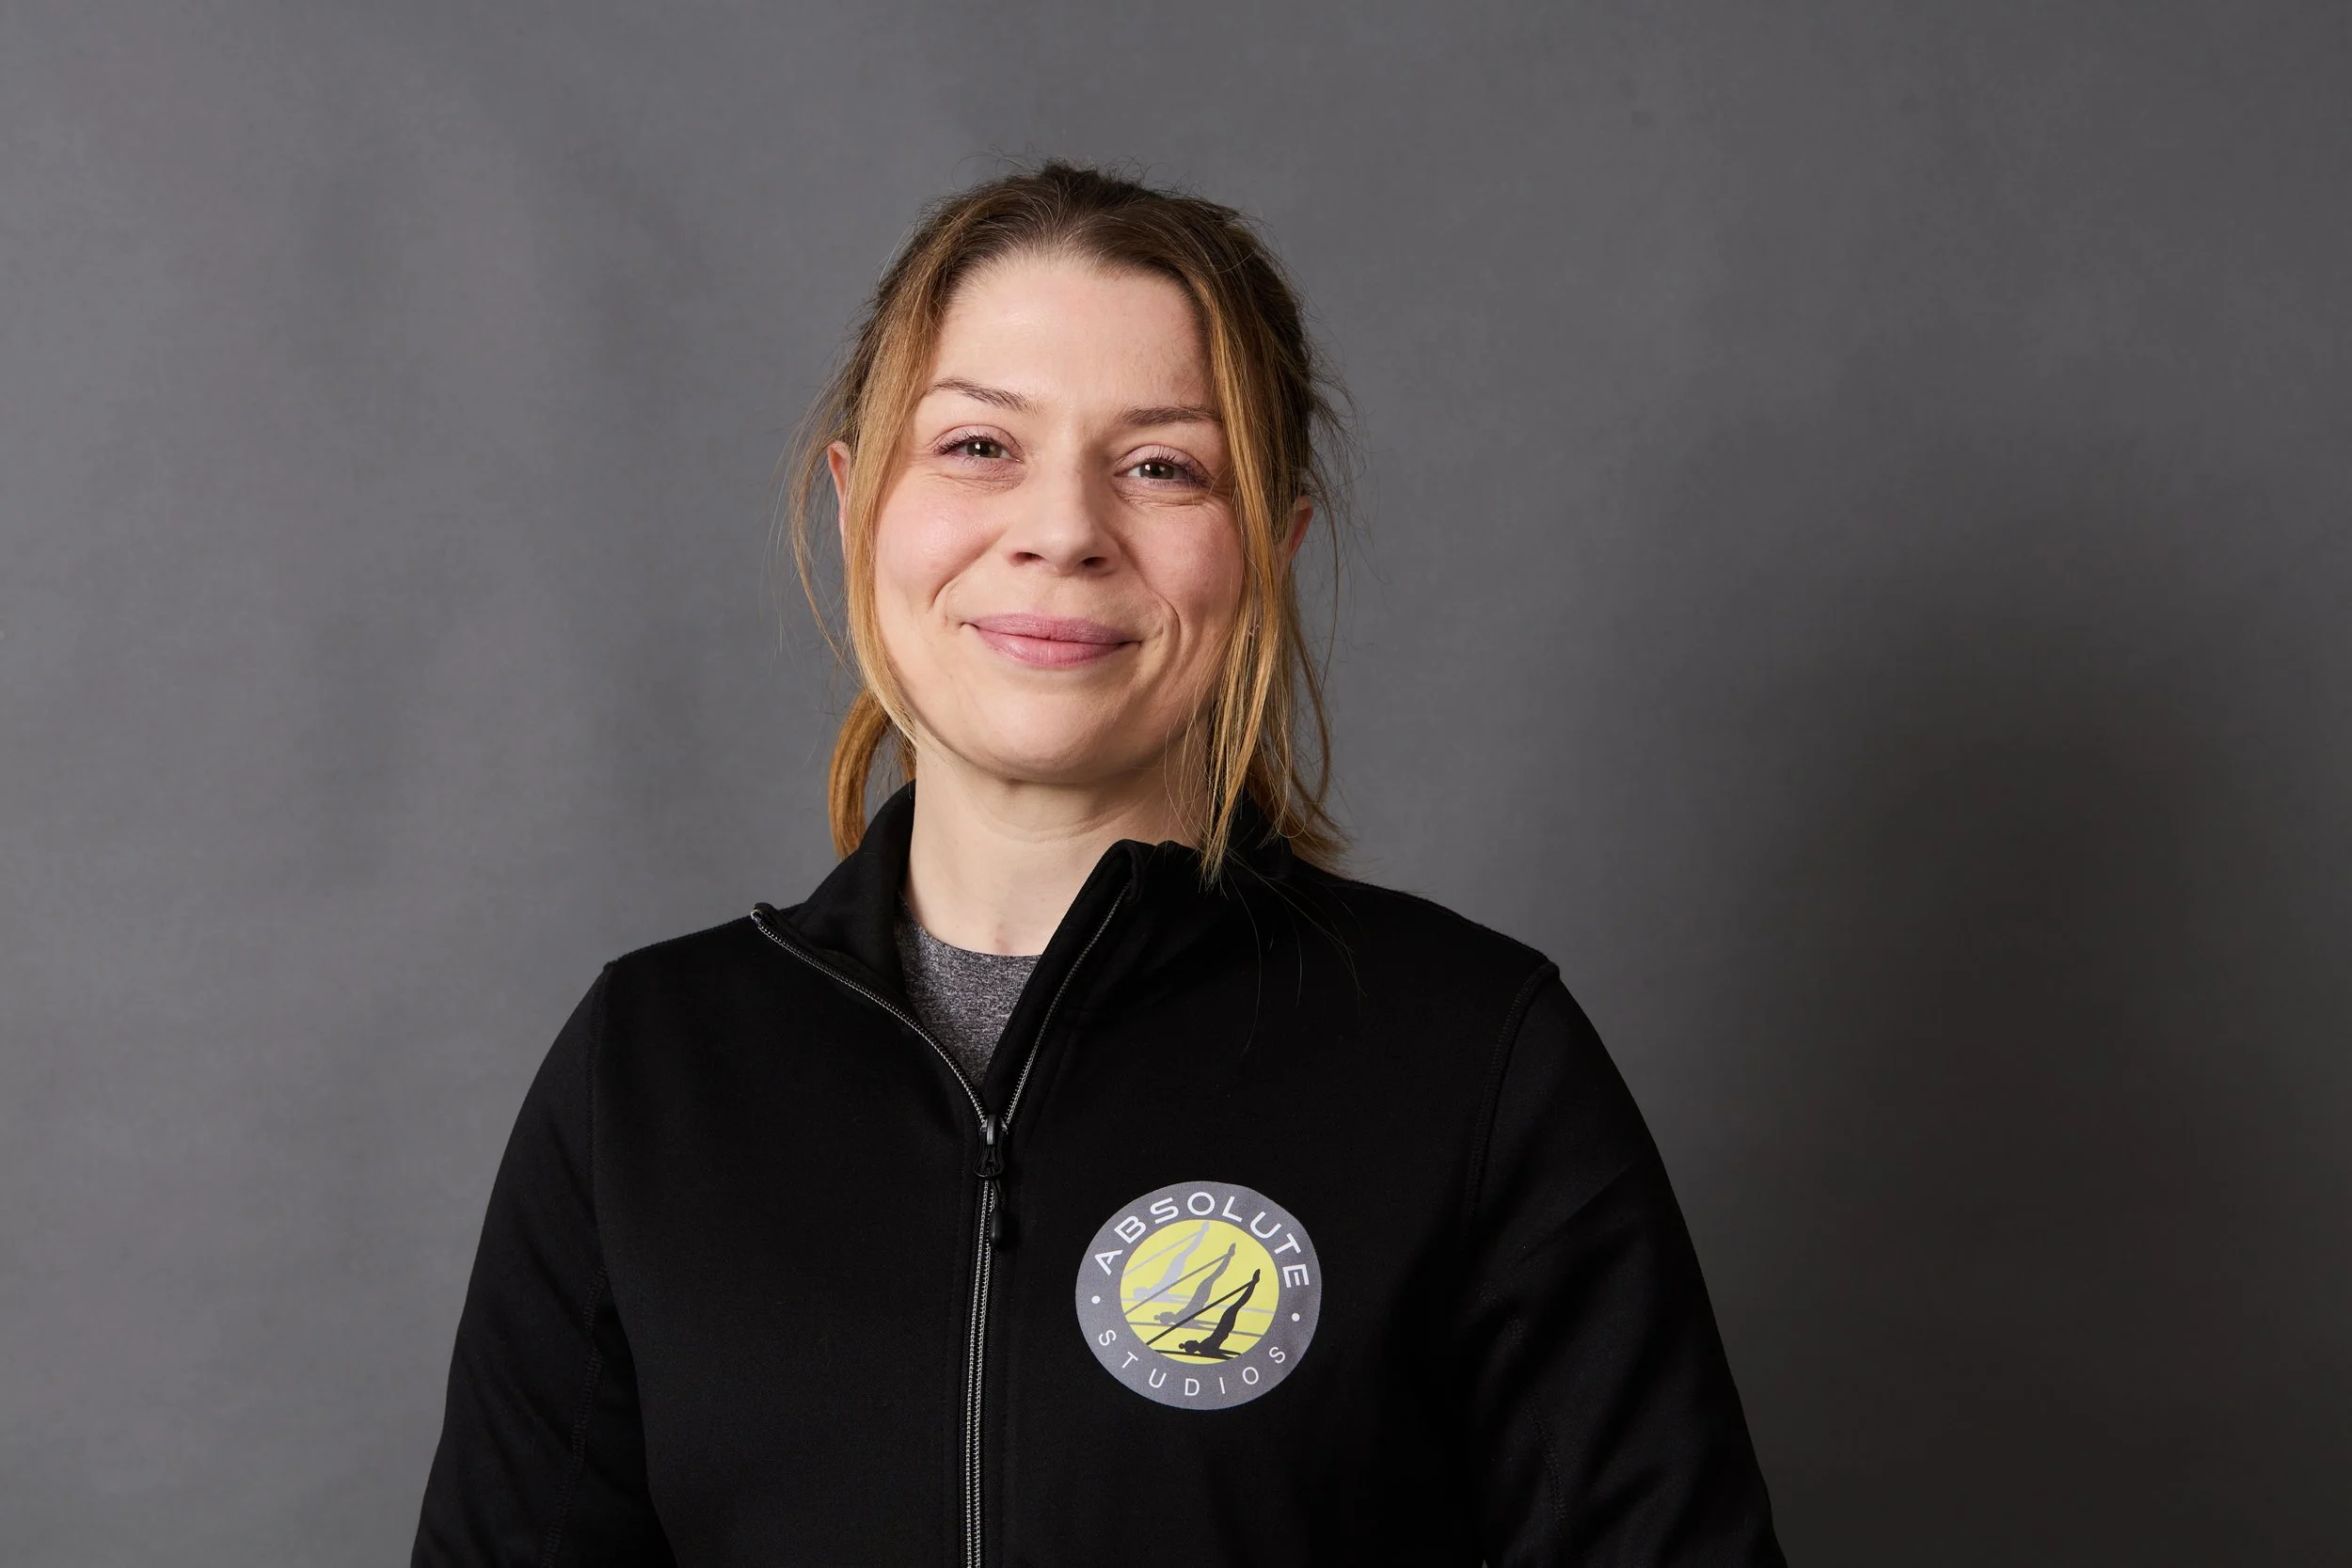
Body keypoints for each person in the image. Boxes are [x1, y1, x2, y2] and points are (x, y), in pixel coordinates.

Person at [412, 161, 1785, 1567]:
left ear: (1268, 540)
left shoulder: (1472, 1060)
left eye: (1161, 465)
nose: (1062, 530)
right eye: (977, 446)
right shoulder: (647, 1077)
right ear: (856, 500)